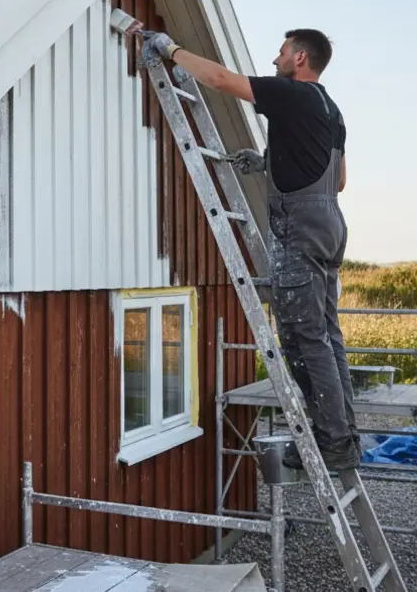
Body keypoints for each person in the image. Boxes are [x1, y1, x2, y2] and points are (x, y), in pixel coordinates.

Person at [137, 28, 360, 471]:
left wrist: (170, 49)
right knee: (327, 337)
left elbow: (220, 79)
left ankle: (332, 442)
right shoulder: (331, 110)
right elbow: (338, 181)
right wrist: (268, 164)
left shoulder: (289, 93)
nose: (275, 58)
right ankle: (343, 437)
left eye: (281, 52)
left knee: (302, 340)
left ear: (300, 59)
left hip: (301, 229)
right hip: (330, 223)